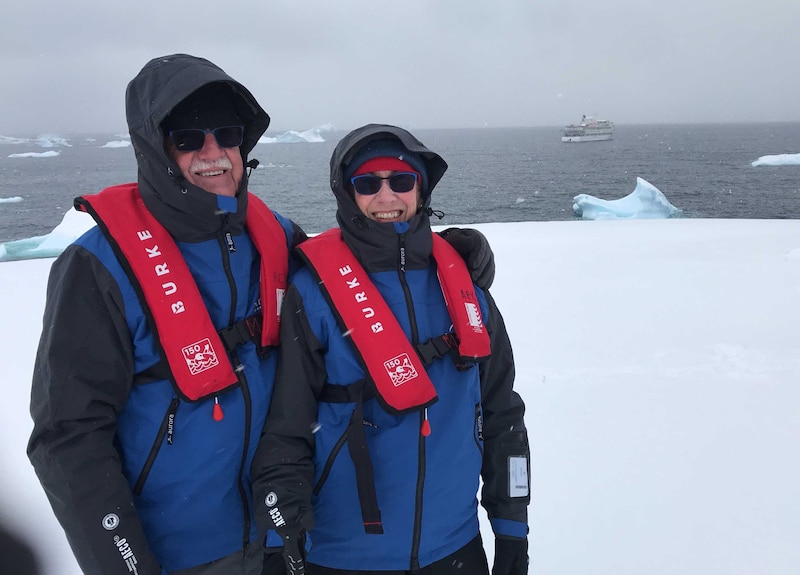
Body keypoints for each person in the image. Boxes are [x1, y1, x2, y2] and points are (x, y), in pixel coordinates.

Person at [27, 56, 494, 575]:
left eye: (226, 134)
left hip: (284, 538)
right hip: (177, 555)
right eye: (187, 139)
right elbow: (67, 435)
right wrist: (123, 562)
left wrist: (448, 251)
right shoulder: (100, 268)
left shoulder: (274, 234)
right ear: (154, 148)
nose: (213, 153)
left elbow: (356, 264)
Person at [252, 124, 530, 575]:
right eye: (368, 184)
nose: (387, 198)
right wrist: (276, 537)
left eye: (401, 181)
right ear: (348, 194)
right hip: (342, 556)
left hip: (456, 549)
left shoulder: (466, 290)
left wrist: (513, 530)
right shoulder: (314, 294)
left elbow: (501, 415)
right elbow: (285, 428)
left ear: (421, 189)